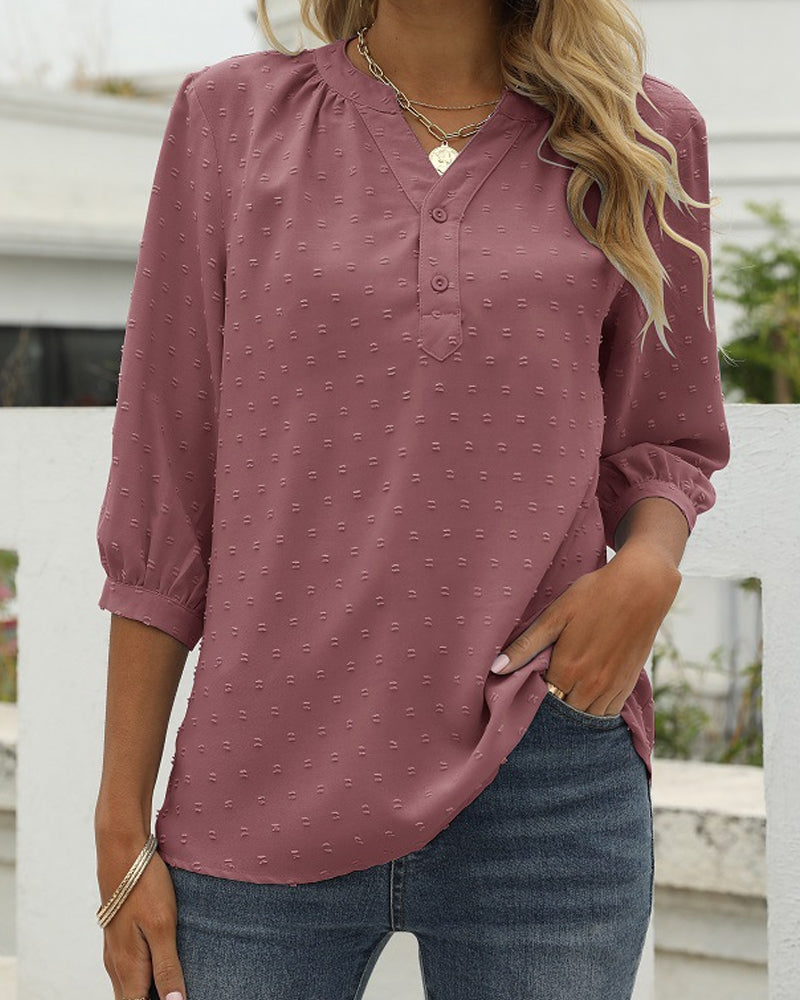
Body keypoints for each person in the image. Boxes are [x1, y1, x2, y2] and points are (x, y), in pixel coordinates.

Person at [93, 1, 731, 998]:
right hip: (260, 772)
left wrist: (648, 564)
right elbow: (163, 489)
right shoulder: (230, 118)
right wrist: (119, 820)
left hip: (544, 772)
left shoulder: (640, 132)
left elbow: (664, 433)